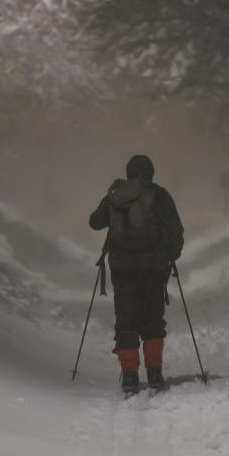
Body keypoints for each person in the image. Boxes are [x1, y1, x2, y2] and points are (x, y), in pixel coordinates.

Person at [89, 155, 184, 396]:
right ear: (151, 173)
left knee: (126, 319)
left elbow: (95, 222)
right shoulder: (160, 196)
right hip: (154, 268)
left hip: (122, 268)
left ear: (128, 172)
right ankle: (154, 372)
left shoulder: (116, 193)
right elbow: (174, 230)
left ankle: (130, 376)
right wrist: (172, 254)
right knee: (153, 318)